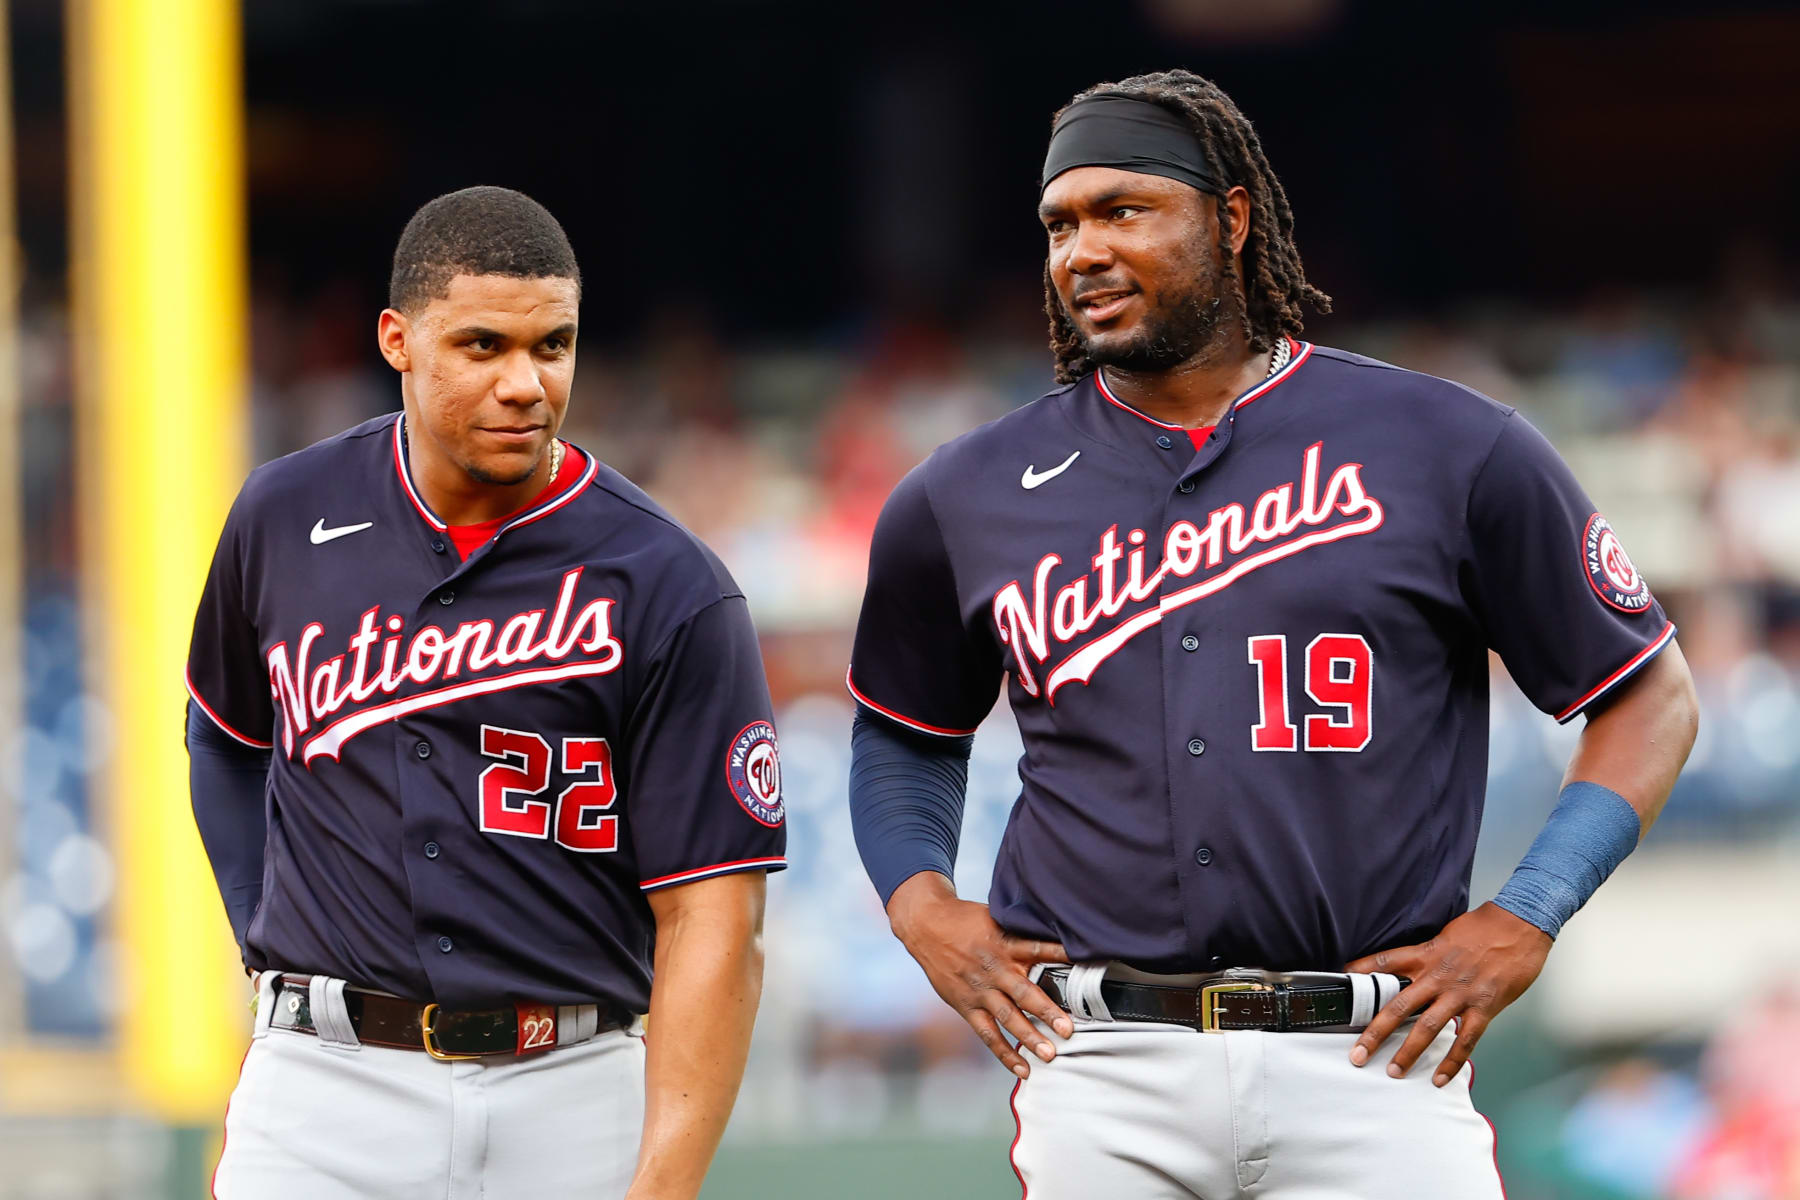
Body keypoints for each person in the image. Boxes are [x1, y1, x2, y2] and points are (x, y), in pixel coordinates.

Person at [846, 70, 1698, 1197]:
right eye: (1061, 224)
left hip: (1375, 1054)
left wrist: (1529, 912)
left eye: (1124, 210)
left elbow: (1648, 696)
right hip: (1103, 1064)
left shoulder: (1448, 445)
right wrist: (920, 905)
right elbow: (904, 731)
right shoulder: (966, 492)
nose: (1083, 252)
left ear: (1233, 218)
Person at [185, 186, 786, 1199]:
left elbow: (717, 915)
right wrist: (260, 932)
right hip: (327, 1085)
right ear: (398, 340)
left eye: (553, 347)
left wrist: (663, 1183)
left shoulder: (666, 578)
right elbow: (223, 738)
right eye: (482, 347)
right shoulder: (284, 516)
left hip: (570, 1086)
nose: (524, 384)